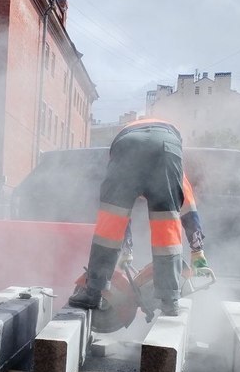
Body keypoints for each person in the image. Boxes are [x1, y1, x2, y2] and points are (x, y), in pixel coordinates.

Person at [68, 118, 208, 316]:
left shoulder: (125, 141)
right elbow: (189, 210)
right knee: (167, 227)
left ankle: (93, 293)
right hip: (166, 148)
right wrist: (197, 250)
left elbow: (118, 217)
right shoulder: (175, 164)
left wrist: (126, 248)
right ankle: (170, 301)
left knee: (110, 224)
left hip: (126, 146)